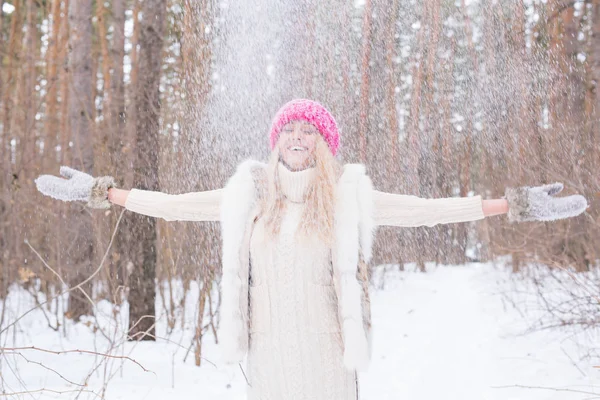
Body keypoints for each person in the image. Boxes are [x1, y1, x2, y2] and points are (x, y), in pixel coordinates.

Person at [35, 99, 588, 400]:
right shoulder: (247, 192)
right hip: (269, 354)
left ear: (324, 145)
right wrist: (101, 193)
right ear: (276, 140)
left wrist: (513, 205)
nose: (298, 139)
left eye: (310, 132)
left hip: (328, 354)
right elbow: (174, 205)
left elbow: (427, 209)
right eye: (289, 130)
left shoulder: (348, 195)